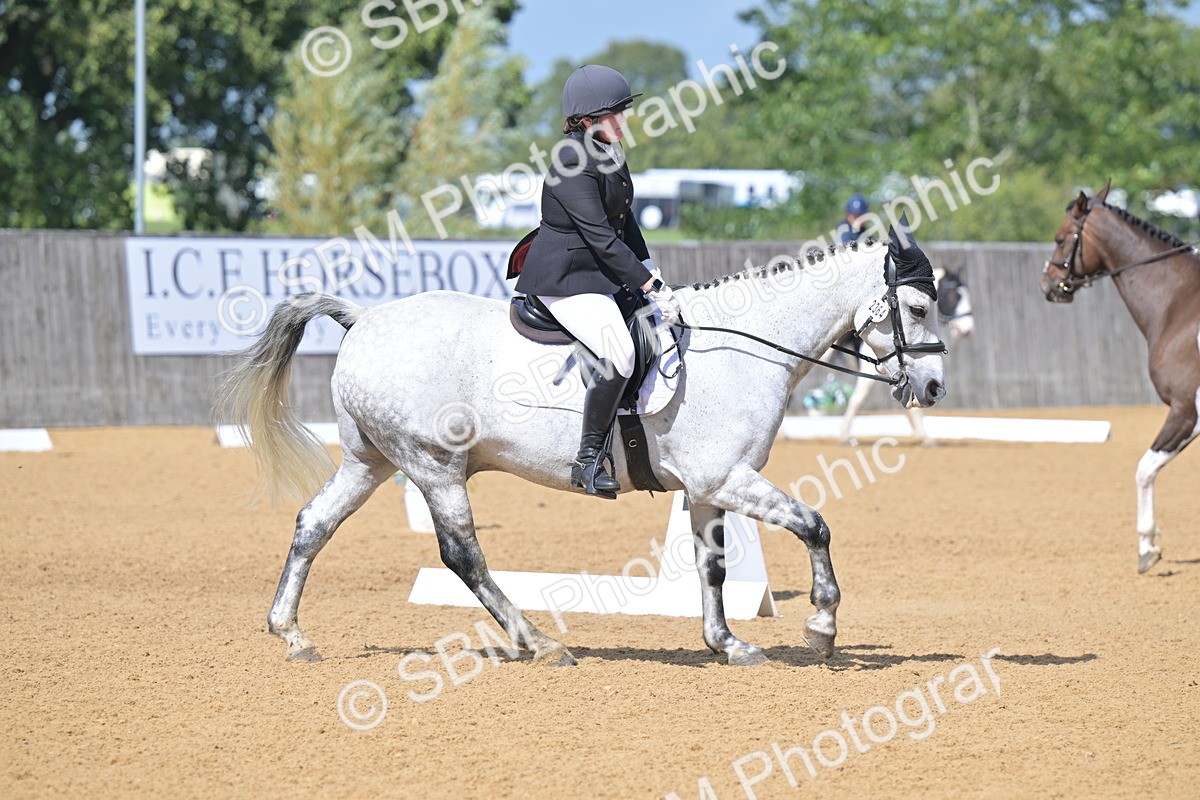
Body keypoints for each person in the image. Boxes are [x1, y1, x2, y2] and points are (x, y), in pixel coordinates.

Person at [514, 65, 680, 498]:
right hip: (566, 278)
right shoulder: (571, 160)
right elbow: (601, 238)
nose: (624, 120)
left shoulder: (609, 150)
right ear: (587, 120)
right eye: (616, 113)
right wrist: (646, 286)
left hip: (599, 274)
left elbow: (625, 221)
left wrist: (650, 268)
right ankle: (587, 461)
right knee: (619, 352)